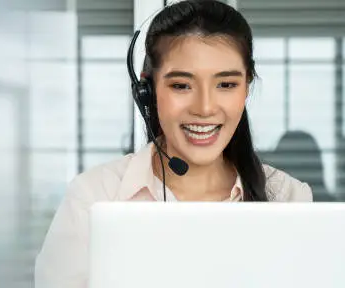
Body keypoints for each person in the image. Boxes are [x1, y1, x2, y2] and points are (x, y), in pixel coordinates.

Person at [34, 1, 313, 287]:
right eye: (181, 85)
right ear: (148, 90)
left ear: (246, 87)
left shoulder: (289, 198)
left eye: (226, 84)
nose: (204, 108)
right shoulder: (94, 197)